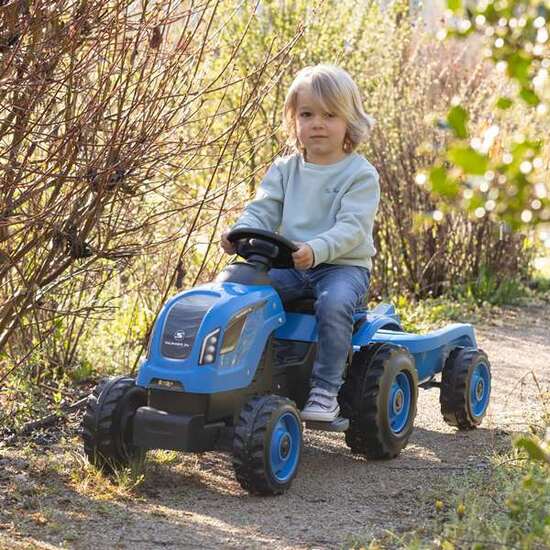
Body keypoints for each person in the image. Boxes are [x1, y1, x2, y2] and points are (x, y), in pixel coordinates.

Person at [221, 64, 380, 422]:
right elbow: (261, 210)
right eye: (307, 114)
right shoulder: (284, 169)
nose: (317, 124)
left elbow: (352, 229)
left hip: (342, 268)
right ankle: (240, 373)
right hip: (292, 265)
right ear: (294, 120)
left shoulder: (360, 174)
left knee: (334, 303)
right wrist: (239, 233)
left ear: (349, 122)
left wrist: (316, 250)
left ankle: (325, 390)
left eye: (329, 115)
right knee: (239, 289)